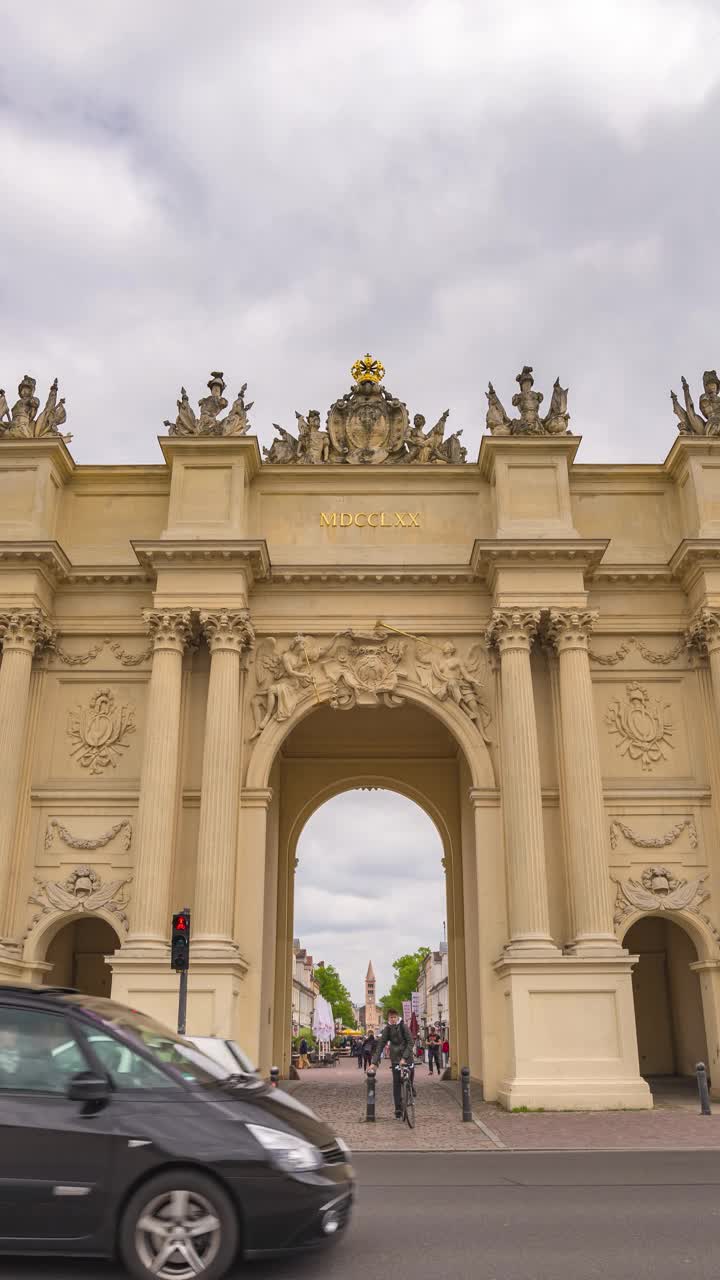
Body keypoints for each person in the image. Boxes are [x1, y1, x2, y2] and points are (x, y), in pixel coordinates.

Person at [372, 1010, 414, 1118]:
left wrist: (404, 1057)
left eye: (394, 1017)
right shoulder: (387, 1029)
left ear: (398, 1017)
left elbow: (410, 1042)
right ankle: (398, 1108)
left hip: (407, 1056)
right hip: (395, 1058)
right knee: (396, 1083)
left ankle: (410, 1087)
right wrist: (374, 1062)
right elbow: (381, 1045)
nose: (393, 1019)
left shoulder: (403, 1026)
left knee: (410, 1074)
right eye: (391, 1017)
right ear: (388, 1018)